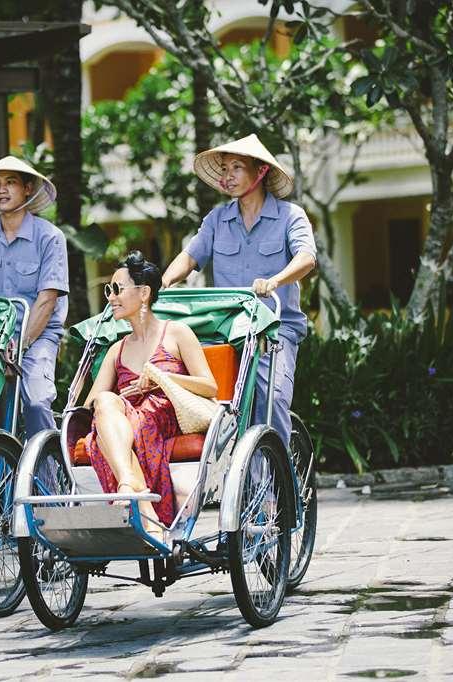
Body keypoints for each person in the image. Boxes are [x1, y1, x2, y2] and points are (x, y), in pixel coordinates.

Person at [161, 134, 316, 446]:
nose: (226, 175)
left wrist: (276, 280)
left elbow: (306, 258)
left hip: (275, 329)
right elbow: (191, 256)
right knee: (214, 401)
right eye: (224, 169)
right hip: (227, 328)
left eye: (236, 167)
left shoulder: (290, 215)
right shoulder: (218, 219)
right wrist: (163, 283)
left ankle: (276, 489)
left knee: (270, 401)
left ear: (260, 172)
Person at [82, 252, 217, 533]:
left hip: (166, 416)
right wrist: (119, 401)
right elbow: (91, 403)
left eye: (118, 289)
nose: (111, 297)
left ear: (144, 293)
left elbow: (209, 386)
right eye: (109, 290)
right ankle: (134, 492)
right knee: (105, 403)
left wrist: (161, 378)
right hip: (127, 420)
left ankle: (133, 495)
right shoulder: (115, 349)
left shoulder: (177, 333)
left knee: (114, 429)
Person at [0, 155, 69, 438]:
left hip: (38, 337)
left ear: (28, 188)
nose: (1, 190)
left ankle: (51, 474)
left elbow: (46, 302)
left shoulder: (50, 237)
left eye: (11, 182)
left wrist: (21, 345)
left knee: (36, 400)